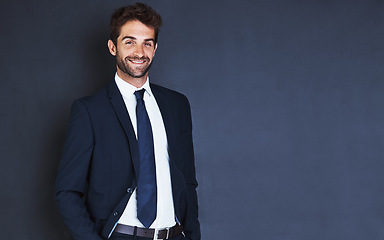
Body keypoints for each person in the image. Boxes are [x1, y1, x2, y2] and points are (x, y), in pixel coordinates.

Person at [54, 3, 200, 240]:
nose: (139, 52)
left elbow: (188, 182)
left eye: (147, 43)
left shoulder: (177, 105)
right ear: (113, 47)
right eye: (130, 42)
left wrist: (192, 234)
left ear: (155, 48)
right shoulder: (90, 111)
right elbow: (67, 191)